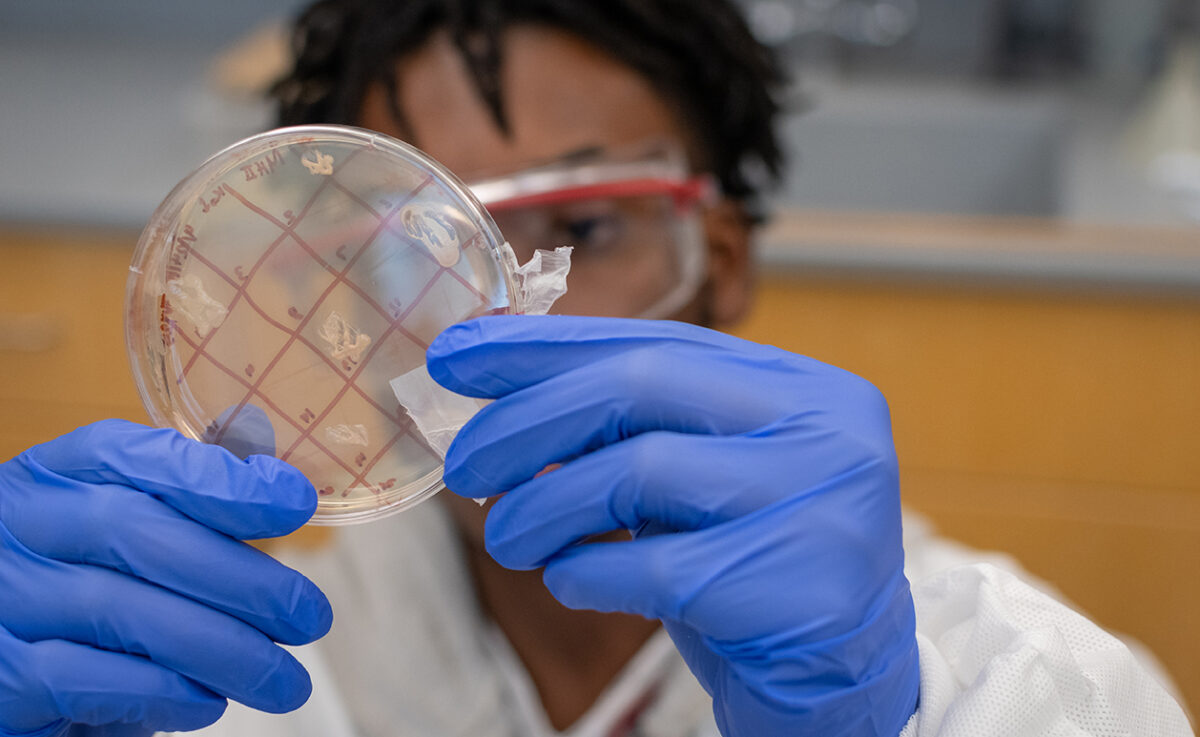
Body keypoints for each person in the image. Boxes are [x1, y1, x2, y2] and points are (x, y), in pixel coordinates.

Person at [0, 1, 1192, 736]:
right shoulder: (216, 675)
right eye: (412, 253)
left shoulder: (988, 676)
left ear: (720, 262)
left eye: (584, 231)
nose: (495, 319)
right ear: (335, 312)